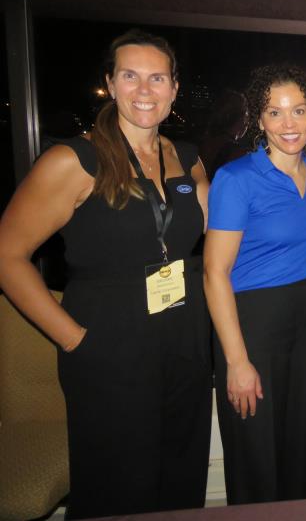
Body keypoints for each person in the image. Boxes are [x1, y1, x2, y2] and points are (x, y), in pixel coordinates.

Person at [0, 30, 212, 519]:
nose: (145, 90)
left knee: (181, 483)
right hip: (109, 348)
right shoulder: (74, 160)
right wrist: (74, 340)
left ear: (174, 89)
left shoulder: (187, 158)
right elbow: (8, 256)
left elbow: (224, 232)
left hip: (184, 342)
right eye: (130, 76)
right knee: (119, 491)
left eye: (157, 78)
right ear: (111, 84)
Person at [203, 64, 306, 503]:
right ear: (259, 119)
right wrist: (236, 362)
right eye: (274, 112)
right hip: (252, 322)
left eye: (298, 110)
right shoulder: (237, 179)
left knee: (300, 443)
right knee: (255, 448)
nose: (288, 123)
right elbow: (214, 273)